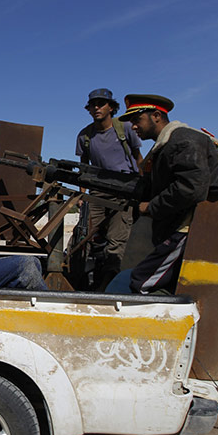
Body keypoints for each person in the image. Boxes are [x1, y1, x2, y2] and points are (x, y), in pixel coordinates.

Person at [110, 94, 218, 294]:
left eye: (137, 120)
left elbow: (191, 188)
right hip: (181, 227)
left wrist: (151, 206)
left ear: (156, 116)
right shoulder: (167, 144)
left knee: (142, 283)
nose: (134, 127)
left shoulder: (184, 140)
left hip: (188, 229)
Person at [75, 88, 143, 290]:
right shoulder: (85, 135)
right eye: (93, 105)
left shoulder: (125, 128)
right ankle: (76, 284)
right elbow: (83, 168)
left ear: (111, 108)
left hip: (124, 192)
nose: (96, 108)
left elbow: (138, 159)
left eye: (101, 104)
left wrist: (142, 190)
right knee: (81, 238)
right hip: (96, 192)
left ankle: (108, 288)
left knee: (117, 243)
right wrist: (82, 194)